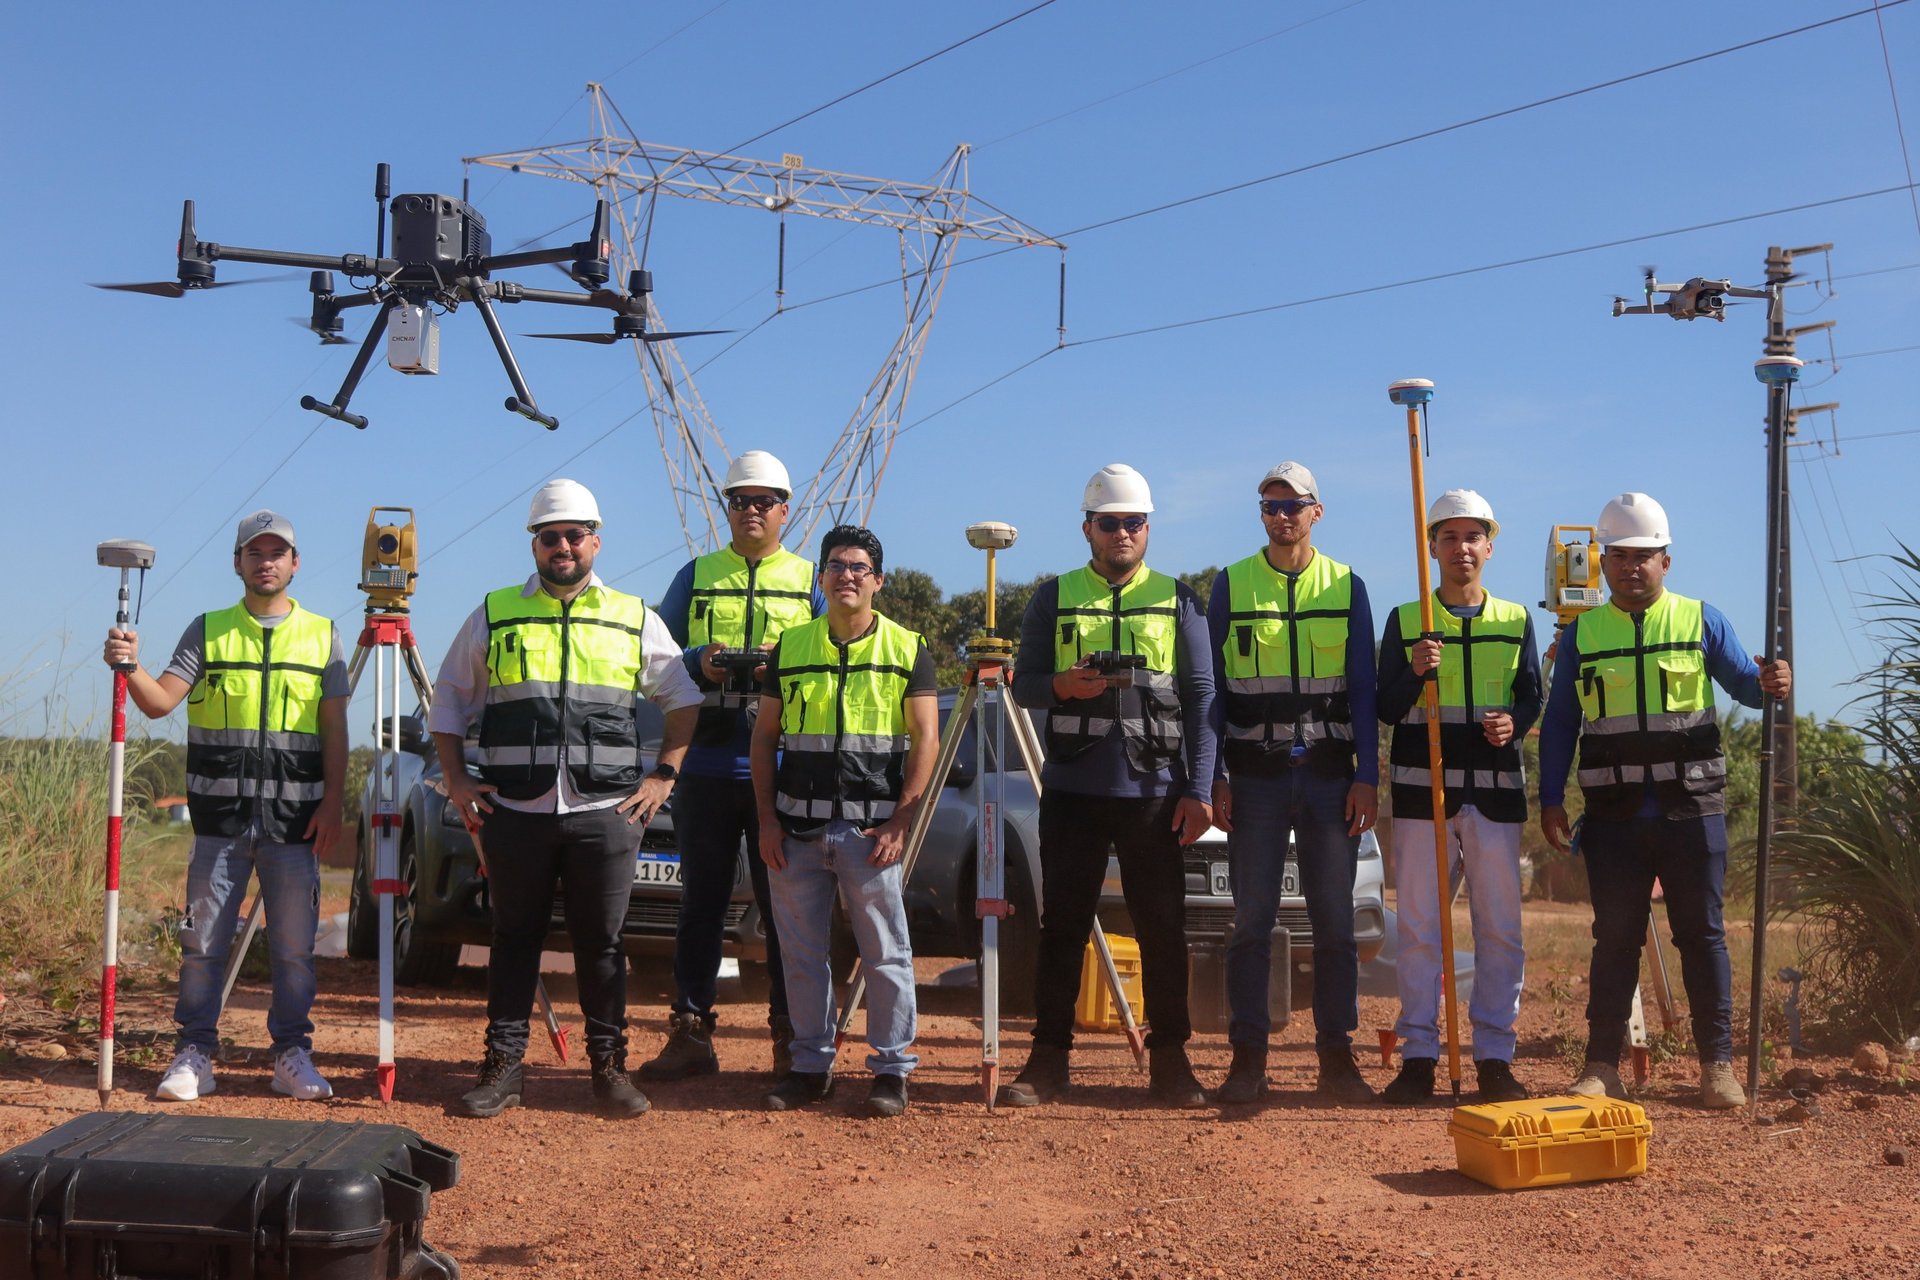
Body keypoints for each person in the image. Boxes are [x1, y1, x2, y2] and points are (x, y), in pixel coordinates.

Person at [430, 479, 701, 1119]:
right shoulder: (494, 613)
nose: (562, 546)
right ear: (535, 543)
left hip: (603, 812)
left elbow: (683, 697)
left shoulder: (633, 615)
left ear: (595, 541)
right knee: (513, 937)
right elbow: (448, 700)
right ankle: (503, 1069)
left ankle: (608, 1070)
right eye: (550, 536)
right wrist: (458, 779)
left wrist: (664, 775)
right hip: (516, 810)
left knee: (601, 944)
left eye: (574, 535)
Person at [1539, 492, 1790, 1110]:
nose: (1631, 567)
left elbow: (1749, 690)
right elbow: (1561, 724)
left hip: (1691, 813)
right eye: (1619, 556)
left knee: (1702, 937)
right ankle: (1602, 1067)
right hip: (1614, 818)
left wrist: (1776, 682)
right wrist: (1549, 799)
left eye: (1643, 557)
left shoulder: (1702, 620)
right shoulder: (1581, 636)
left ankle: (1717, 1068)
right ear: (1602, 562)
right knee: (1614, 940)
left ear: (1665, 562)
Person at [101, 509, 347, 1103]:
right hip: (218, 826)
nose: (266, 562)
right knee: (202, 946)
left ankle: (292, 1053)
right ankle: (195, 1053)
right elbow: (160, 702)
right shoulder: (207, 630)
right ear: (237, 562)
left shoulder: (323, 634)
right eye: (254, 552)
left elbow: (335, 731)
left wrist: (334, 804)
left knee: (293, 951)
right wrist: (127, 667)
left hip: (294, 824)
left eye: (276, 552)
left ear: (294, 562)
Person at [998, 463, 1216, 1110]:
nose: (1123, 532)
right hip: (1073, 788)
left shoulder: (1179, 598)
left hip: (1154, 790)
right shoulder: (1051, 596)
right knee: (1061, 925)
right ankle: (1047, 1059)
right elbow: (1023, 681)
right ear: (1087, 528)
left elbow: (1203, 695)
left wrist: (1199, 787)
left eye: (1134, 522)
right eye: (1110, 522)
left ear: (1148, 528)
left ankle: (1171, 1061)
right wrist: (1060, 686)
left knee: (1163, 929)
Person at [641, 451, 825, 1084]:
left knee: (786, 910)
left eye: (763, 500)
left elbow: (837, 660)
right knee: (700, 904)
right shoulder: (696, 575)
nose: (751, 510)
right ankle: (691, 1033)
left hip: (783, 766)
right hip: (710, 761)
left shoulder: (810, 579)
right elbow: (657, 661)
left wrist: (788, 660)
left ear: (784, 509)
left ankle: (788, 1038)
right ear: (727, 508)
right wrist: (702, 659)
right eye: (739, 500)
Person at [750, 525, 937, 1117]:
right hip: (796, 831)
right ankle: (809, 1067)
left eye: (859, 566)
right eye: (835, 565)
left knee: (886, 953)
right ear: (822, 577)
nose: (847, 574)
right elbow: (764, 738)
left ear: (878, 580)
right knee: (801, 956)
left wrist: (902, 820)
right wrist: (767, 822)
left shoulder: (909, 648)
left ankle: (891, 1071)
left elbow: (926, 740)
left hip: (871, 833)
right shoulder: (792, 645)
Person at [1210, 461, 1379, 1106]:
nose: (1281, 516)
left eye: (1292, 505)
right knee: (1251, 920)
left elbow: (1363, 688)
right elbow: (1213, 693)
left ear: (1317, 511)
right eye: (1270, 506)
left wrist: (1369, 775)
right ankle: (1247, 1059)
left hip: (1330, 777)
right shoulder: (1232, 584)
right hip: (1254, 778)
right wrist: (1214, 775)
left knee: (1335, 922)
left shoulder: (1348, 586)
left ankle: (1338, 1059)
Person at [1375, 490, 1542, 1104]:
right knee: (1421, 930)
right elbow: (1385, 707)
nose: (1461, 548)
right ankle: (1419, 1055)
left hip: (1495, 799)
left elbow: (1532, 696)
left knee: (1500, 932)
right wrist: (1415, 669)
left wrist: (1515, 724)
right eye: (1449, 537)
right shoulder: (1405, 621)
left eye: (1473, 537)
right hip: (1425, 798)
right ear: (1433, 549)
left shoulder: (1517, 619)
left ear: (1489, 548)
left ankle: (1495, 1057)